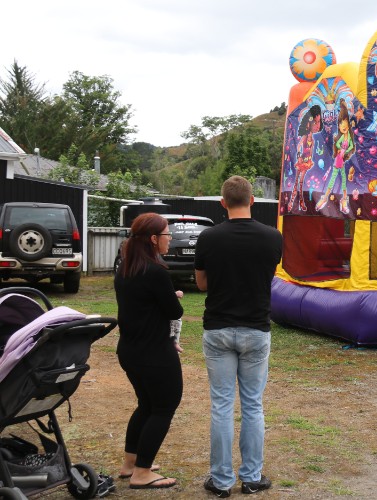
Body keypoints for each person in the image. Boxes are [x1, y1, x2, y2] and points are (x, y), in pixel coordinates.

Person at [195, 176, 283, 498]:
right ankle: (251, 477)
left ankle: (221, 482)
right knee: (252, 405)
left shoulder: (208, 238)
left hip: (218, 329)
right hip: (256, 330)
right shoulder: (273, 238)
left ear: (222, 202)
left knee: (221, 406)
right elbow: (266, 277)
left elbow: (202, 284)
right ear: (253, 201)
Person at [114, 212, 183, 490]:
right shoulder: (155, 272)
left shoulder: (126, 269)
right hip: (155, 354)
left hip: (130, 351)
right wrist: (173, 295)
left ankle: (131, 463)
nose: (170, 239)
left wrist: (166, 296)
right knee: (164, 407)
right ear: (154, 239)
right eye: (167, 235)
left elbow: (143, 307)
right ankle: (142, 472)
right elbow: (173, 311)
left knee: (146, 405)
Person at [316, 101, 355, 214]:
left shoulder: (349, 137)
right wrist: (340, 150)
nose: (343, 127)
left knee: (343, 179)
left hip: (343, 160)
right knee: (333, 178)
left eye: (345, 124)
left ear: (347, 124)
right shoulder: (341, 137)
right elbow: (337, 144)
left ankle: (344, 200)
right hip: (339, 160)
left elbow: (352, 146)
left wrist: (346, 151)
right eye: (341, 124)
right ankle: (324, 198)